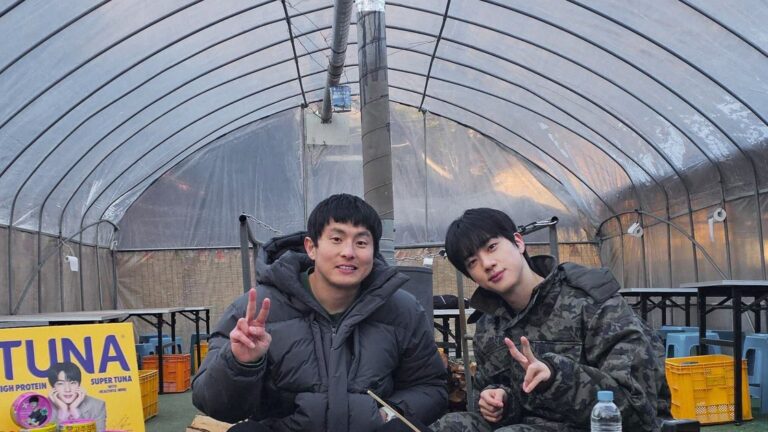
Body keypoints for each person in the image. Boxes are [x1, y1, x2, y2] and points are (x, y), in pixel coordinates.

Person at [193, 193, 447, 431]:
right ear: (311, 247)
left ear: (373, 251)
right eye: (336, 239)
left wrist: (388, 415)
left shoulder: (401, 310)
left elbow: (430, 386)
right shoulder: (257, 311)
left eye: (361, 242)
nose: (348, 252)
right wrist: (241, 363)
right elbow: (213, 404)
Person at [430, 208, 670, 432]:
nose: (487, 264)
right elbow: (492, 399)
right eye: (473, 262)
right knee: (449, 426)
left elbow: (639, 409)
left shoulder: (590, 302)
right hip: (526, 426)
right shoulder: (489, 326)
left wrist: (555, 377)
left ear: (518, 242)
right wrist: (498, 400)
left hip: (599, 426)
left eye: (492, 247)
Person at [47, 361, 107, 431]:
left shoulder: (97, 405)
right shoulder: (43, 408)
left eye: (73, 383)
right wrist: (63, 412)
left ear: (79, 385)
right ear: (53, 387)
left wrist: (75, 412)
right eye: (60, 384)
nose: (67, 389)